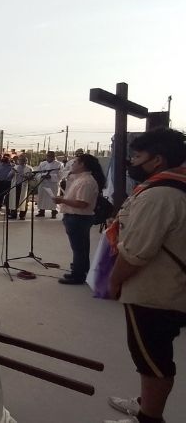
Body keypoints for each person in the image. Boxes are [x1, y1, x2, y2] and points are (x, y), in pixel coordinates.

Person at [104, 128, 186, 423]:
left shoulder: (160, 195)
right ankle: (146, 404)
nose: (132, 162)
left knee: (152, 360)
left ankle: (150, 417)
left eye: (137, 156)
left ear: (157, 159)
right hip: (170, 288)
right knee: (153, 356)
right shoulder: (175, 187)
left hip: (154, 293)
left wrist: (114, 281)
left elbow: (136, 252)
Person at [53, 154, 104, 285]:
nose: (72, 165)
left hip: (78, 218)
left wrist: (62, 200)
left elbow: (82, 203)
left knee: (79, 248)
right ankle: (80, 270)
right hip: (75, 217)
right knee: (80, 247)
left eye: (75, 162)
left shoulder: (86, 181)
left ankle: (78, 275)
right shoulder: (80, 179)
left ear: (82, 165)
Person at [36, 151, 63, 218]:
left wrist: (50, 176)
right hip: (43, 183)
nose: (49, 157)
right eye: (48, 156)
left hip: (53, 184)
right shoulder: (42, 164)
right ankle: (41, 211)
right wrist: (41, 176)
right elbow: (37, 173)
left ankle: (53, 212)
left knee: (53, 198)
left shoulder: (59, 164)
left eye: (51, 156)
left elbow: (61, 175)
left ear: (54, 157)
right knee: (42, 198)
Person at [8, 154, 34, 220]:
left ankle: (22, 215)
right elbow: (8, 176)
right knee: (14, 200)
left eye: (23, 160)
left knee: (24, 201)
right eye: (20, 160)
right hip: (15, 186)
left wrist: (26, 176)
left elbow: (32, 178)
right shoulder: (15, 167)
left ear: (26, 161)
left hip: (25, 186)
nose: (21, 161)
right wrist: (12, 172)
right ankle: (13, 214)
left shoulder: (29, 168)